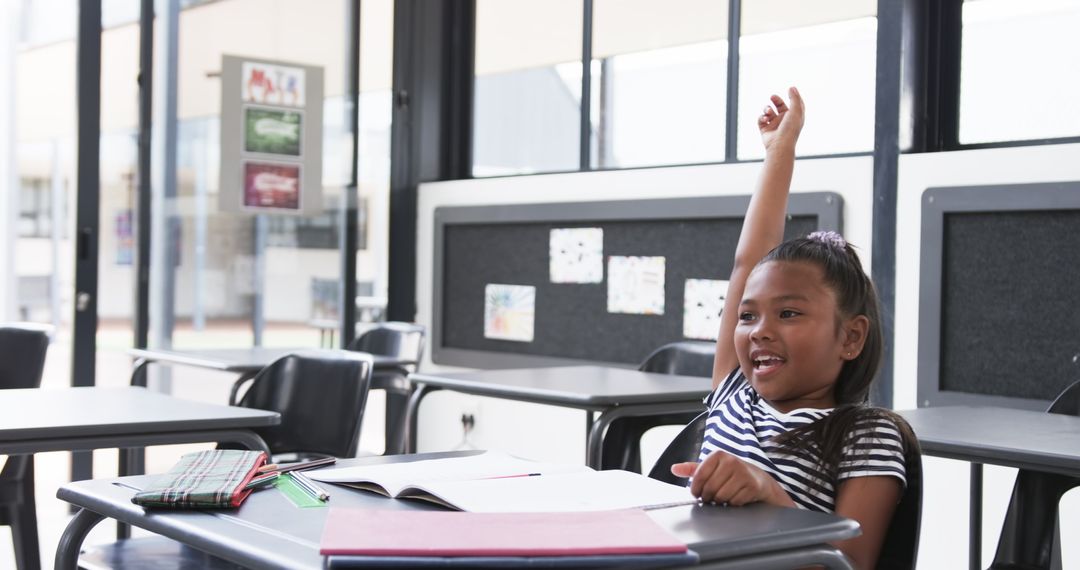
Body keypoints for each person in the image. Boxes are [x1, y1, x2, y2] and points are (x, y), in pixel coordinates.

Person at [669, 87, 917, 569]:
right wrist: (779, 151)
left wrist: (769, 493)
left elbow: (851, 562)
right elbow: (747, 263)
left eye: (788, 314)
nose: (758, 330)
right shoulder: (734, 390)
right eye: (747, 315)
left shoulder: (867, 436)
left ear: (851, 337)